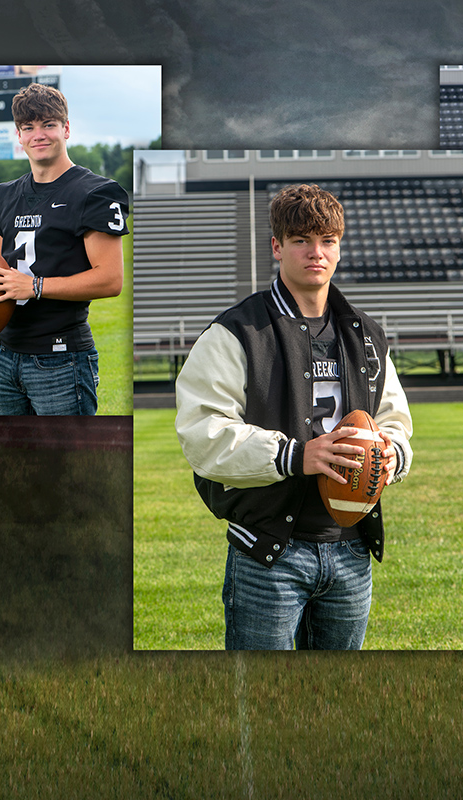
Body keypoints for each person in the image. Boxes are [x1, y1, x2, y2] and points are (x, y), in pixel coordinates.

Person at [175, 183, 414, 650]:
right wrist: (294, 455)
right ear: (277, 247)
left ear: (340, 249)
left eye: (327, 241)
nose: (316, 253)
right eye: (302, 240)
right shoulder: (236, 332)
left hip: (351, 551)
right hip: (269, 554)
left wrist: (391, 455)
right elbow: (202, 433)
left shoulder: (366, 333)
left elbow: (393, 419)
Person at [0, 82, 129, 415]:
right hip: (7, 355)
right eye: (29, 127)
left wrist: (35, 286)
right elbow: (2, 265)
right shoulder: (5, 194)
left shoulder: (95, 192)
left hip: (62, 358)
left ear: (66, 129)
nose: (38, 134)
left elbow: (111, 280)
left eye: (48, 125)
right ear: (19, 136)